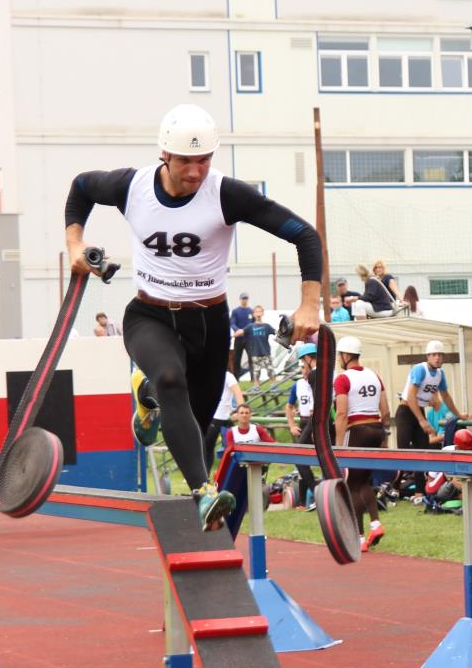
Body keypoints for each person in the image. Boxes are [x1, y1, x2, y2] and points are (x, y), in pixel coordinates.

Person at [63, 104, 322, 531]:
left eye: (204, 160)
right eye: (186, 160)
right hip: (150, 315)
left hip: (210, 324)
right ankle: (203, 492)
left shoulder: (226, 194)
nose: (196, 171)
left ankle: (145, 397)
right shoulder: (133, 186)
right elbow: (81, 189)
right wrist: (76, 244)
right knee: (170, 379)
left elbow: (303, 236)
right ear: (165, 155)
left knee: (195, 423)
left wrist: (309, 304)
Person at [332, 335, 391, 550]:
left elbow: (341, 413)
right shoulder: (374, 376)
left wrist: (338, 446)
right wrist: (383, 437)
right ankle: (373, 525)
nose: (339, 358)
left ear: (346, 355)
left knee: (351, 484)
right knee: (364, 482)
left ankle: (359, 536)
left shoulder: (342, 379)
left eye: (340, 355)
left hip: (357, 430)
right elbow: (385, 411)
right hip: (376, 429)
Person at [397, 339, 460, 452]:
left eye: (440, 355)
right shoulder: (420, 369)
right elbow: (411, 397)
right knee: (404, 449)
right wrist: (422, 420)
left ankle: (421, 470)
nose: (437, 358)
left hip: (419, 410)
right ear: (428, 356)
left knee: (423, 448)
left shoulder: (440, 374)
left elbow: (446, 396)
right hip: (406, 411)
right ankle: (403, 470)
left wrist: (458, 414)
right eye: (434, 355)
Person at [284, 342, 319, 510]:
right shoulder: (297, 385)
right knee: (300, 459)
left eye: (307, 367)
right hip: (304, 422)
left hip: (319, 422)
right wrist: (291, 425)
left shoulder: (320, 379)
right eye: (303, 367)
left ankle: (322, 493)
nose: (306, 370)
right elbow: (289, 406)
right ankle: (312, 492)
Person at [202, 370, 244, 473]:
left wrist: (239, 413)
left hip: (220, 417)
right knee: (209, 447)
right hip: (216, 416)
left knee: (208, 448)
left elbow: (238, 395)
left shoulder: (227, 376)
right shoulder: (207, 374)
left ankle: (206, 476)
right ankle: (206, 476)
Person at [236, 305, 277, 382]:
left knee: (270, 371)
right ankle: (256, 388)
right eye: (256, 312)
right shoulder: (250, 326)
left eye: (260, 311)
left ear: (263, 313)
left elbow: (276, 332)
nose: (258, 313)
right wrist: (233, 334)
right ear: (253, 314)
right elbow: (241, 332)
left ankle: (274, 387)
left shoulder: (267, 326)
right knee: (256, 373)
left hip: (266, 353)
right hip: (255, 353)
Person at [229, 293, 254, 379]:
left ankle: (253, 378)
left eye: (246, 299)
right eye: (243, 299)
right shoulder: (236, 311)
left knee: (251, 358)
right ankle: (236, 378)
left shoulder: (251, 311)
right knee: (236, 359)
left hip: (249, 339)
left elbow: (253, 324)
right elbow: (232, 323)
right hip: (239, 338)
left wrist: (245, 330)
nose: (244, 300)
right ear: (240, 300)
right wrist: (238, 330)